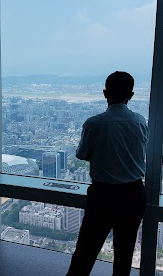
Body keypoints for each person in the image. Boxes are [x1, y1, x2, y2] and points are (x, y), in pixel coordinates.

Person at [66, 71, 149, 276]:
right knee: (124, 252)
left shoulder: (94, 123)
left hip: (103, 195)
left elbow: (82, 154)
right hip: (134, 194)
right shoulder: (140, 121)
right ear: (131, 95)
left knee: (86, 251)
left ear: (105, 93)